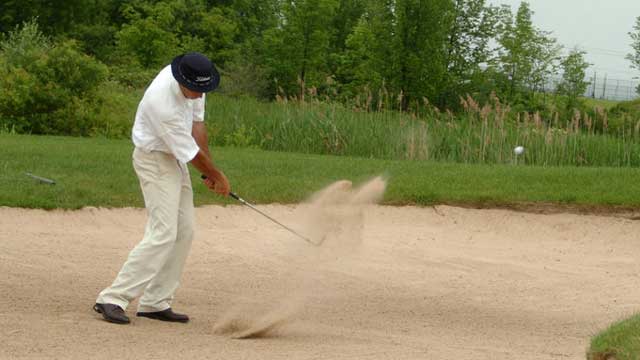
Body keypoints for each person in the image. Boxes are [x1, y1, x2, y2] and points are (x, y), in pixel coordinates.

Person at [93, 52, 230, 324]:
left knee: (185, 230)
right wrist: (217, 175)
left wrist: (211, 170)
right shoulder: (162, 102)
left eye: (202, 90)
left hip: (174, 157)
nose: (197, 95)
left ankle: (155, 302)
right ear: (180, 80)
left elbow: (197, 125)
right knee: (164, 232)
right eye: (193, 90)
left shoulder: (197, 81)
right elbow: (189, 152)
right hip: (153, 158)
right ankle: (113, 297)